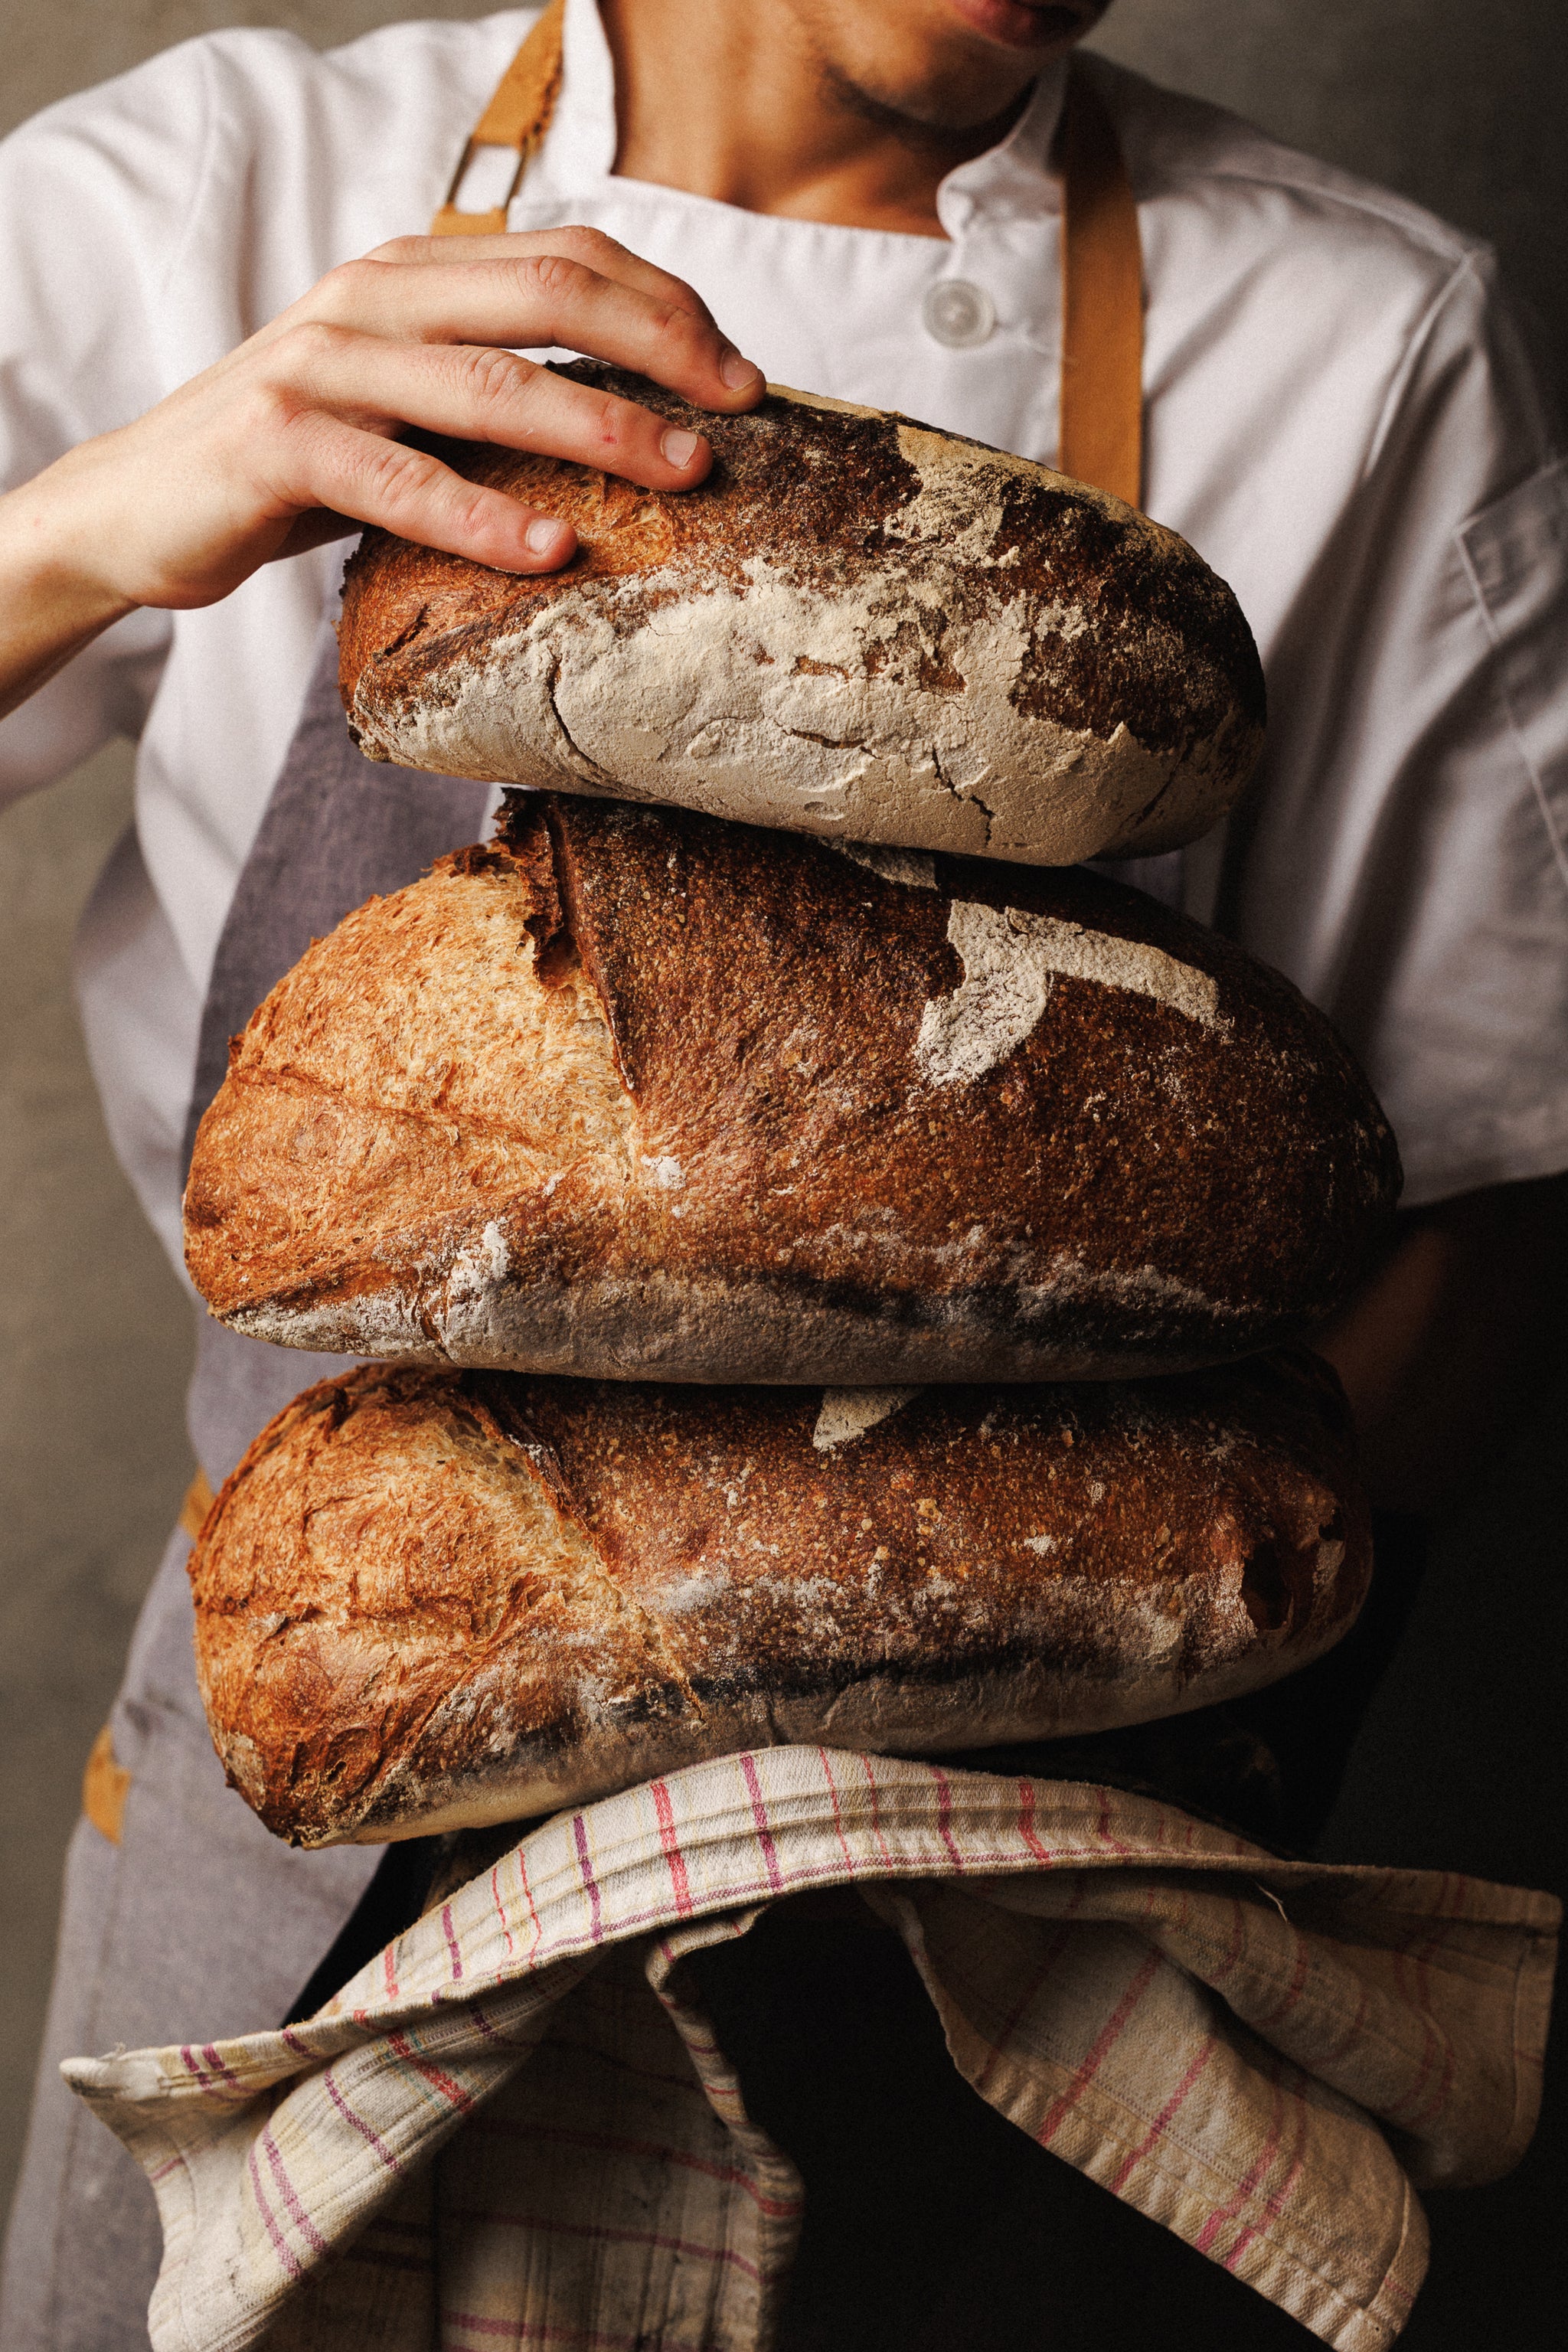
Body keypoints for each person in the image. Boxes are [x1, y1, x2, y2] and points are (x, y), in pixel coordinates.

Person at [1, 3, 1563, 2345]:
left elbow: (1486, 1196)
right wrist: (95, 520)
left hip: (1017, 1910)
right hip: (325, 1712)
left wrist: (1030, 1646)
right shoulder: (218, 186)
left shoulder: (1358, 332)